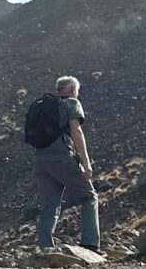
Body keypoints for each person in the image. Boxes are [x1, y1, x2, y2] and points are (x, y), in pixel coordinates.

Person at [33, 76, 101, 253]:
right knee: (89, 197)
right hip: (62, 158)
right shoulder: (71, 103)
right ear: (72, 90)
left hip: (40, 160)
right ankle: (90, 244)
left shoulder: (43, 105)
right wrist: (86, 161)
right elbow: (76, 131)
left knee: (50, 204)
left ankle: (45, 248)